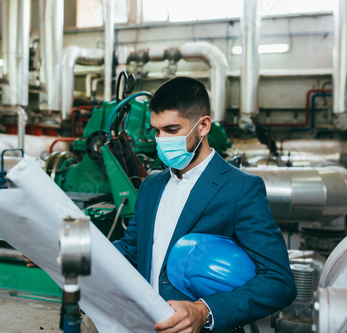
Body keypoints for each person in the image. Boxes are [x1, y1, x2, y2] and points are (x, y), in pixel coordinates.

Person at [113, 77, 296, 333]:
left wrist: (204, 311)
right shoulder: (152, 186)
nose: (161, 140)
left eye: (172, 130)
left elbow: (278, 282)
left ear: (203, 126)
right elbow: (131, 250)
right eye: (156, 131)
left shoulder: (240, 189)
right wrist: (72, 248)